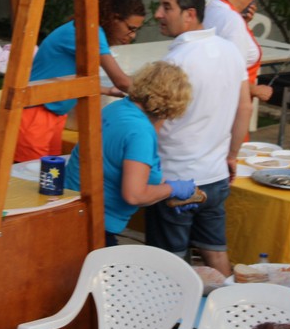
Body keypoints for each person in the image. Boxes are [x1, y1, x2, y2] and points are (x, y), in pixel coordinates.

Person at [146, 0, 252, 276]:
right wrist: (232, 155)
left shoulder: (175, 60)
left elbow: (153, 125)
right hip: (215, 176)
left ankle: (174, 309)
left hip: (175, 180)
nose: (158, 14)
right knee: (215, 254)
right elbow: (245, 107)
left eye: (166, 7)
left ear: (190, 14)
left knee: (168, 266)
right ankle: (230, 305)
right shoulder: (230, 50)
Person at [64, 61, 195, 246]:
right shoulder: (140, 132)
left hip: (73, 209)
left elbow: (115, 165)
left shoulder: (115, 109)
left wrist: (164, 190)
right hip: (95, 224)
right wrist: (173, 189)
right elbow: (134, 195)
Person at [14, 0, 142, 163]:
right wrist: (153, 96)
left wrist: (106, 90)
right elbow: (122, 81)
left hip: (53, 115)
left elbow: (67, 77)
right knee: (29, 176)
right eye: (131, 28)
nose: (133, 36)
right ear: (114, 18)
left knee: (51, 176)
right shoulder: (89, 32)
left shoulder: (88, 28)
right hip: (35, 116)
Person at [204, 0, 274, 103]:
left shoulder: (211, 4)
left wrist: (243, 23)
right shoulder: (232, 21)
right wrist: (256, 90)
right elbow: (233, 74)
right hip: (228, 101)